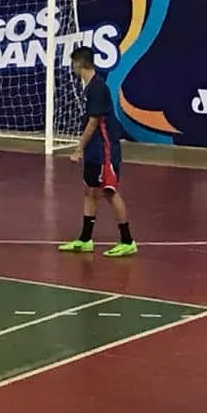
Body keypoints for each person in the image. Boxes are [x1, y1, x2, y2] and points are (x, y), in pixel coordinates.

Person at [60, 45, 136, 256]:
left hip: (105, 151)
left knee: (109, 193)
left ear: (79, 64)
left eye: (73, 64)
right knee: (90, 191)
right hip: (95, 151)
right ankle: (85, 239)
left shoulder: (97, 88)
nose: (72, 68)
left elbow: (93, 123)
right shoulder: (89, 87)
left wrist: (78, 149)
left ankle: (128, 241)